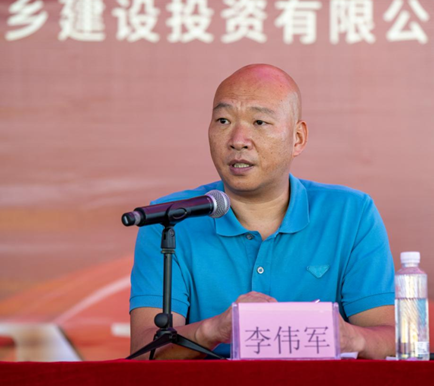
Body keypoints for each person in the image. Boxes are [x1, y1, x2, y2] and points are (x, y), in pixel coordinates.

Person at [130, 64, 395, 359]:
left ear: (297, 138)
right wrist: (214, 330)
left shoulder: (351, 214)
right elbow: (143, 353)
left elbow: (390, 339)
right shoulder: (170, 219)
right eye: (223, 120)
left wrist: (350, 337)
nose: (238, 140)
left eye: (259, 122)